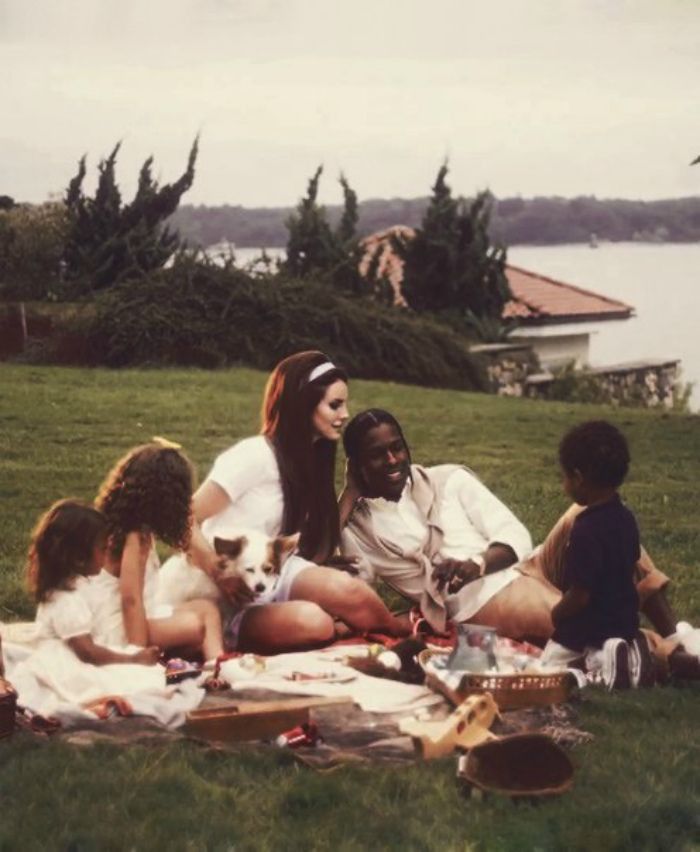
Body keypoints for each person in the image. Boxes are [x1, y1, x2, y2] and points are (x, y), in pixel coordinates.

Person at [340, 409, 699, 678]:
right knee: (586, 623)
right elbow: (353, 589)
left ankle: (678, 634)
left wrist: (475, 564)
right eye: (377, 454)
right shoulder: (358, 527)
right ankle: (675, 661)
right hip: (485, 602)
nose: (393, 460)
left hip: (526, 565)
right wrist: (349, 494)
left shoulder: (448, 479)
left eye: (397, 447)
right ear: (355, 465)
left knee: (596, 516)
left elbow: (515, 534)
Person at [186, 351, 407, 654]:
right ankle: (226, 635)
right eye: (334, 405)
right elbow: (181, 516)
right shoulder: (253, 456)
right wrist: (218, 572)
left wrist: (351, 491)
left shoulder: (309, 461)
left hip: (273, 575)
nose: (344, 415)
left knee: (352, 590)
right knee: (314, 624)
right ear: (303, 405)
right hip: (226, 593)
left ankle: (402, 633)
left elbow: (319, 539)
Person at [94, 441, 225, 666]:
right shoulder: (135, 537)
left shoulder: (123, 523)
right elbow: (130, 599)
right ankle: (217, 666)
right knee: (197, 626)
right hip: (119, 630)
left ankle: (218, 661)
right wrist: (138, 654)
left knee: (207, 609)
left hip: (134, 615)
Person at [543, 422, 651, 688]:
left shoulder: (585, 529)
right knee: (608, 638)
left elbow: (580, 595)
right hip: (623, 619)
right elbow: (630, 566)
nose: (564, 484)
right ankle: (628, 654)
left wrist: (557, 613)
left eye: (565, 477)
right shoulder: (626, 518)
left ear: (579, 478)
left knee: (547, 668)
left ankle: (599, 667)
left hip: (586, 627)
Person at [27, 498, 159, 666]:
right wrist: (132, 659)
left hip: (81, 659)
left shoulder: (78, 584)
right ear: (79, 559)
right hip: (65, 669)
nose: (107, 555)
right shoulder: (66, 600)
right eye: (103, 549)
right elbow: (88, 653)